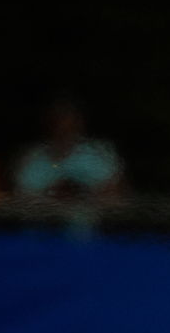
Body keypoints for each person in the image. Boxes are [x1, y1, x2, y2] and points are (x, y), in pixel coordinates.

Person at [13, 97, 125, 236]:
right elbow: (17, 204)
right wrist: (53, 196)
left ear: (80, 122)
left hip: (85, 241)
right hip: (37, 239)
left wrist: (82, 194)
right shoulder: (30, 159)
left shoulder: (98, 156)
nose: (63, 125)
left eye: (68, 118)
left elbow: (117, 202)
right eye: (57, 118)